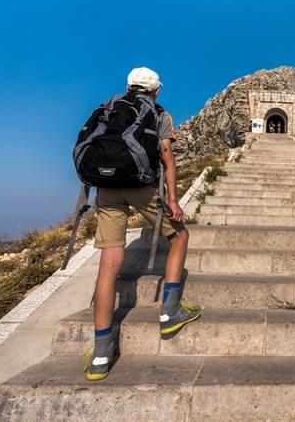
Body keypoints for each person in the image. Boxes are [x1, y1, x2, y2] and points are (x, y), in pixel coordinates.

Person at [85, 67, 201, 381]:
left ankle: (100, 353)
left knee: (109, 263)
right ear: (156, 91)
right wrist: (174, 200)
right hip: (141, 187)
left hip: (106, 189)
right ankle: (169, 311)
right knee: (179, 236)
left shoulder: (109, 106)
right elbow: (167, 160)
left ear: (128, 86)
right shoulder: (159, 113)